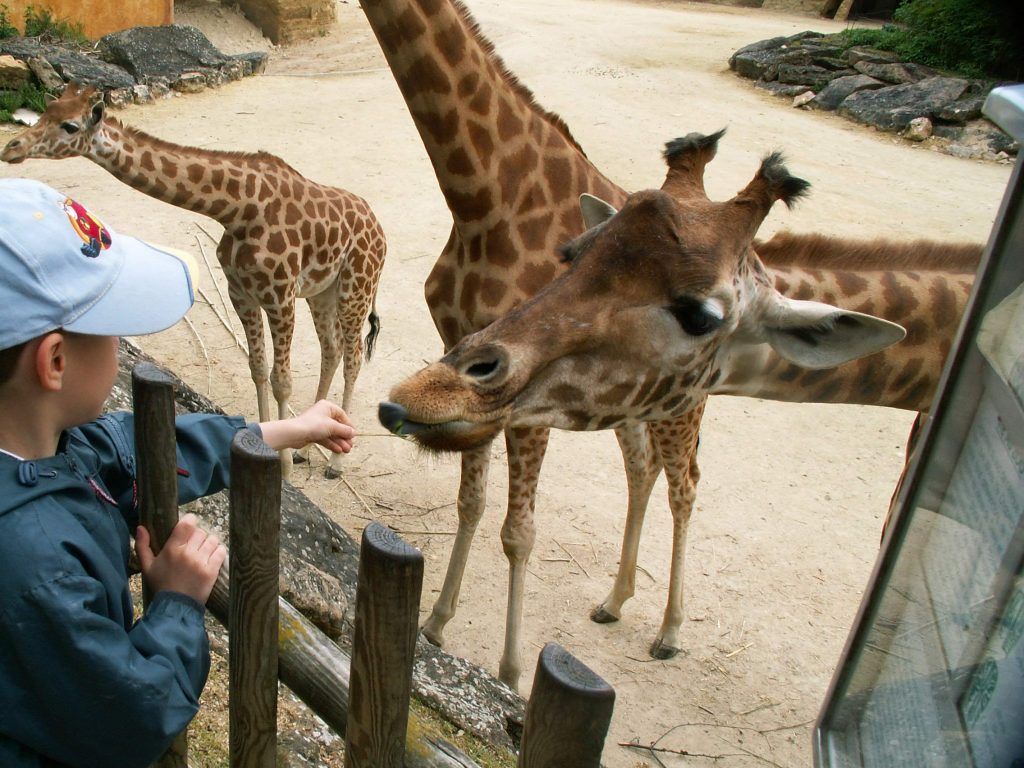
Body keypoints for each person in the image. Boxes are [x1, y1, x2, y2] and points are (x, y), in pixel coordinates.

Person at [0, 178, 357, 767]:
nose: (120, 341)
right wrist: (177, 607)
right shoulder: (33, 569)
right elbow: (128, 715)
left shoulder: (46, 448)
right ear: (56, 361)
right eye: (109, 326)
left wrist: (284, 430)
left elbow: (139, 448)